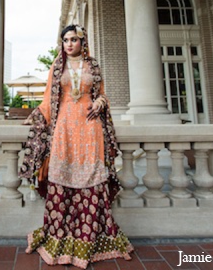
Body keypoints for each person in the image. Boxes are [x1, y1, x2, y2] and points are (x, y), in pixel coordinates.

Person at [19, 24, 134, 269]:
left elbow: (102, 94)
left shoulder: (93, 66)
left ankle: (91, 238)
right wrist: (37, 115)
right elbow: (49, 97)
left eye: (73, 39)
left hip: (90, 128)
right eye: (65, 40)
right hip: (64, 129)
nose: (69, 44)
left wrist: (101, 103)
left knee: (91, 175)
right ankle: (60, 238)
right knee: (63, 175)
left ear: (82, 41)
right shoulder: (57, 66)